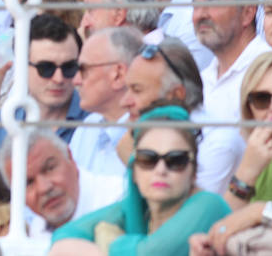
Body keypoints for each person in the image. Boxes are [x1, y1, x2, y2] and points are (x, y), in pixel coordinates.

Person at [54, 104, 230, 248]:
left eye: (176, 160)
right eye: (148, 159)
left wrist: (108, 239)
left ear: (193, 171)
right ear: (134, 170)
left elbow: (147, 253)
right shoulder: (137, 206)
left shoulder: (209, 205)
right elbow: (63, 237)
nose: (161, 170)